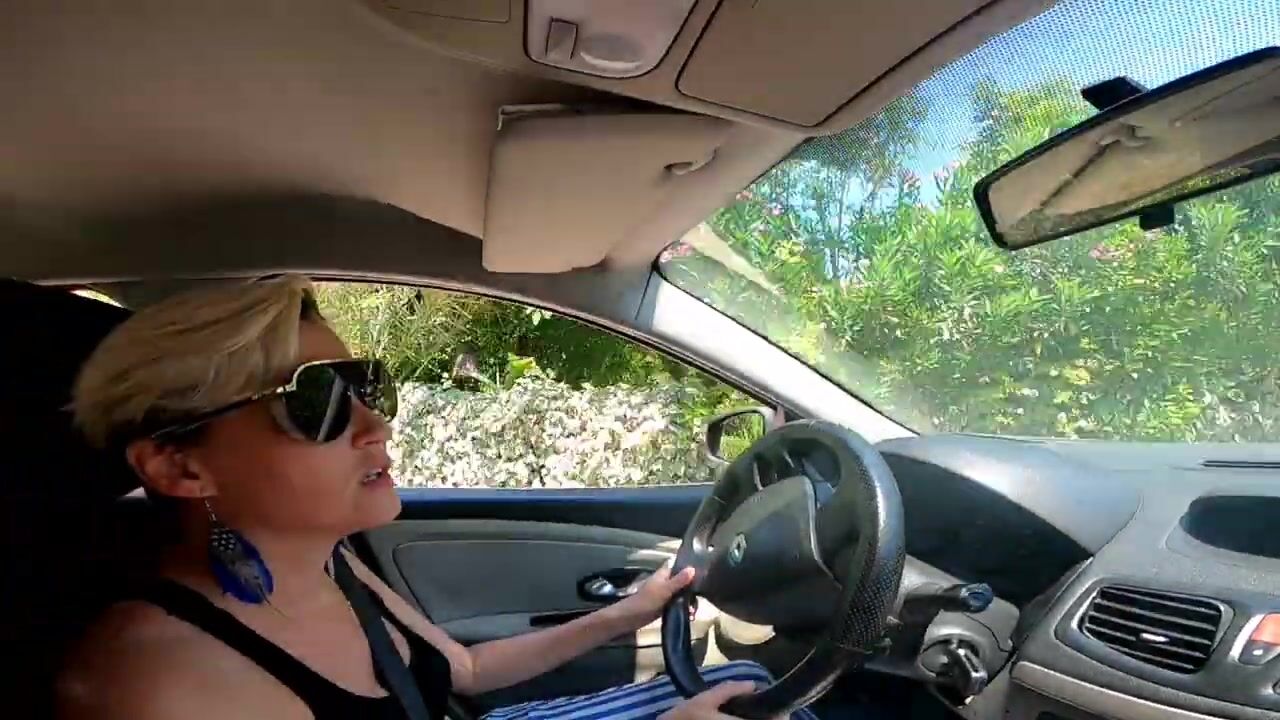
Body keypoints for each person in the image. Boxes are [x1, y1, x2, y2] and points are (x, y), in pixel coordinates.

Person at [56, 275, 820, 720]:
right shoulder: (157, 686)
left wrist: (629, 612)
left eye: (366, 385)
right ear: (179, 467)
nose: (375, 423)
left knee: (749, 688)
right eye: (316, 400)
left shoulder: (327, 564)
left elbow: (466, 674)